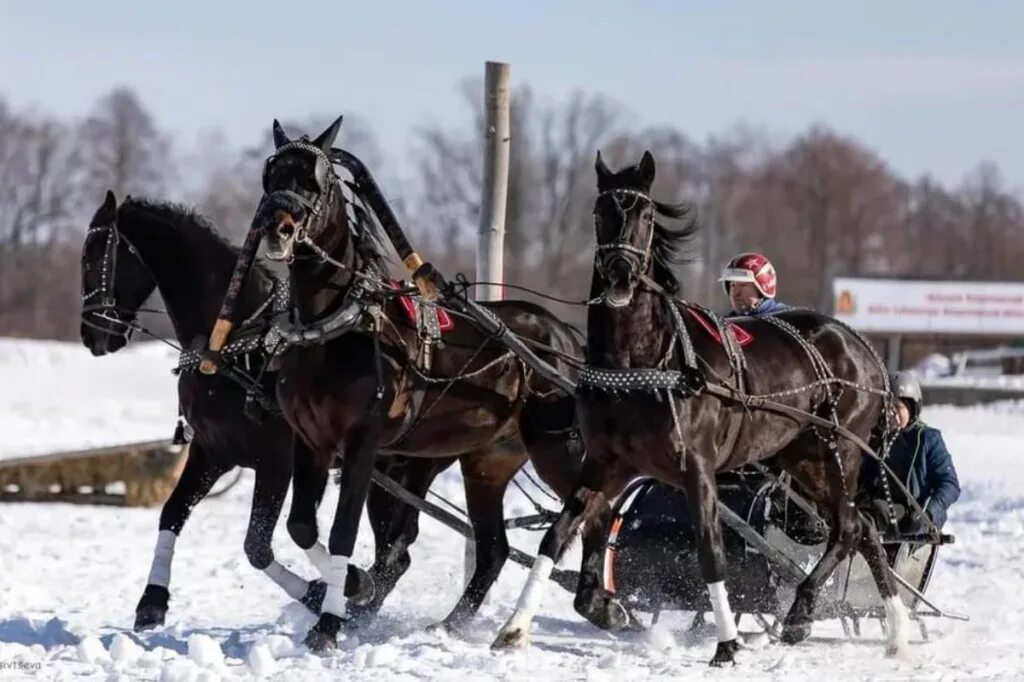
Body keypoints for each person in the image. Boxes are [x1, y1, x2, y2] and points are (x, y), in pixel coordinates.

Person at [863, 371, 961, 534]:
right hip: (879, 505)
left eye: (898, 407)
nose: (891, 413)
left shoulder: (928, 439)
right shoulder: (877, 439)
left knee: (878, 510)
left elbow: (949, 484)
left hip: (912, 511)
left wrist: (928, 513)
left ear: (912, 408)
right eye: (887, 408)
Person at [718, 252, 791, 317]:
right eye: (732, 285)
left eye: (743, 285)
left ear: (762, 289)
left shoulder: (791, 321)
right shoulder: (724, 326)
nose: (736, 293)